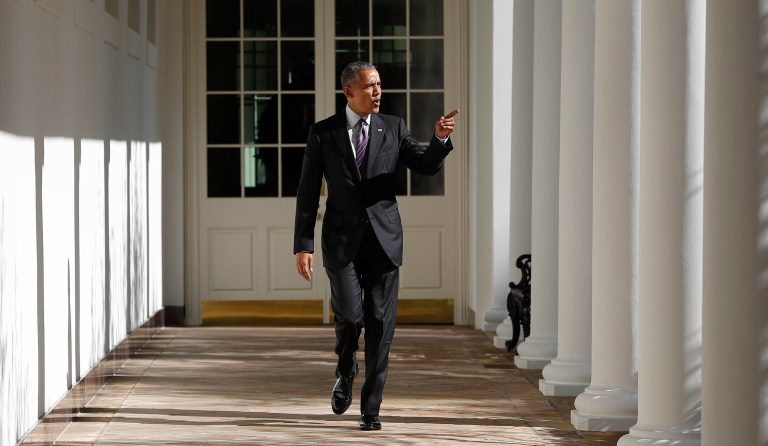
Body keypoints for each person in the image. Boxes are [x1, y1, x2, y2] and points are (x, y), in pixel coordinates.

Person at [293, 61, 458, 431]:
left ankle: (371, 409)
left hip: (384, 241)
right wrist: (303, 244)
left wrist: (439, 139)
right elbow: (307, 193)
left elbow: (424, 165)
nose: (378, 92)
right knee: (350, 318)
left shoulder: (394, 127)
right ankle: (346, 365)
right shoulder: (324, 133)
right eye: (370, 86)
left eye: (379, 85)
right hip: (340, 242)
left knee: (381, 327)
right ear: (349, 92)